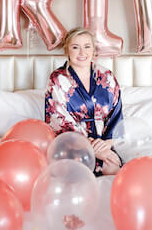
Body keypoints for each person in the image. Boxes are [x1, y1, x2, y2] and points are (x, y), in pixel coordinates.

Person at [45, 27, 123, 175]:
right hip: (72, 146)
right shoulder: (57, 80)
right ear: (67, 50)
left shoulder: (107, 76)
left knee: (114, 171)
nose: (82, 53)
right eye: (75, 47)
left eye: (87, 46)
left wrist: (107, 144)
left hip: (105, 144)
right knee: (77, 175)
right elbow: (58, 121)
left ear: (94, 50)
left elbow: (116, 115)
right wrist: (90, 147)